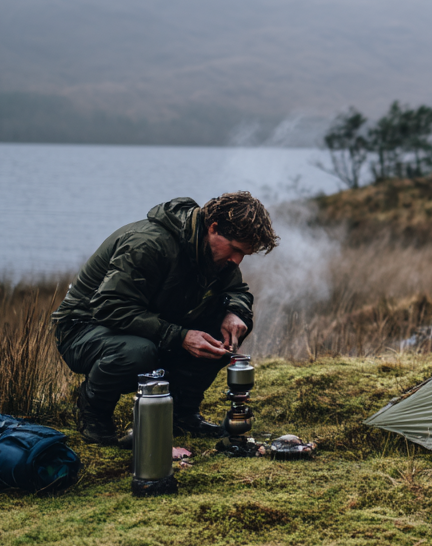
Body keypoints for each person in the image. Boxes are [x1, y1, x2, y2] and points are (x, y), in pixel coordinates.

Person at [52, 191, 279, 448]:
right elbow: (109, 307)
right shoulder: (149, 244)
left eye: (244, 255)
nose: (237, 260)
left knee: (227, 331)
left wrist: (234, 312)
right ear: (213, 228)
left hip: (143, 325)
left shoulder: (212, 254)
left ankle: (181, 415)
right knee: (139, 352)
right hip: (84, 330)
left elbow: (236, 291)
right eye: (236, 249)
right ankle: (93, 414)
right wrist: (180, 336)